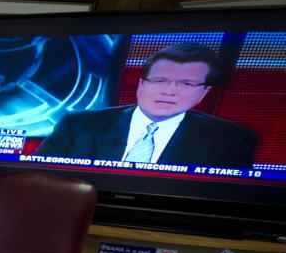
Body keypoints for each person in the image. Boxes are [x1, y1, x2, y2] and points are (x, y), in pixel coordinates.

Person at [35, 42, 256, 168]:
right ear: (141, 84)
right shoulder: (78, 124)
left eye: (186, 83)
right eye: (160, 80)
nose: (169, 91)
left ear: (203, 92)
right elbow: (36, 178)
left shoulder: (230, 139)